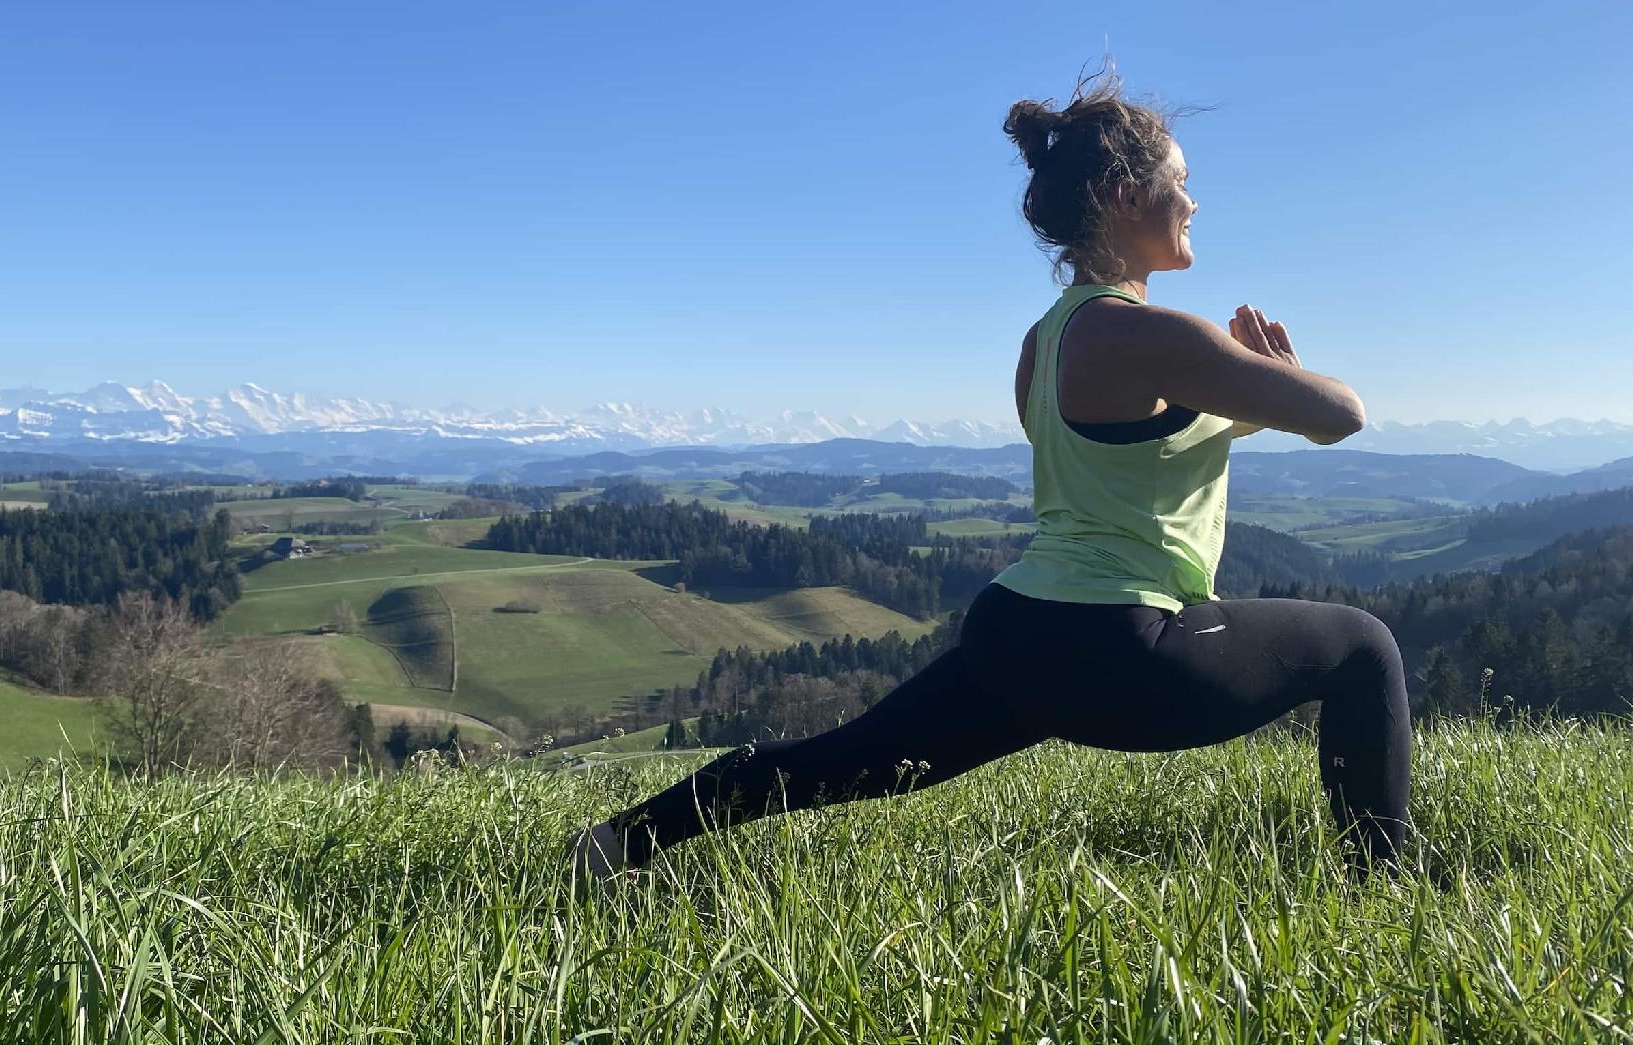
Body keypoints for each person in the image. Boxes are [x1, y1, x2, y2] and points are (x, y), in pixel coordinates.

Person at [569, 69, 1411, 882]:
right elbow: (1344, 414)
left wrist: (1254, 396)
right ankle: (1385, 890)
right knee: (1363, 648)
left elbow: (1131, 452)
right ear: (1124, 196)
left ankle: (620, 841)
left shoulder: (1042, 345)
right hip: (1128, 648)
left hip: (1016, 632)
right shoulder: (1156, 336)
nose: (1194, 202)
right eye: (1181, 183)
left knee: (845, 762)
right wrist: (1293, 378)